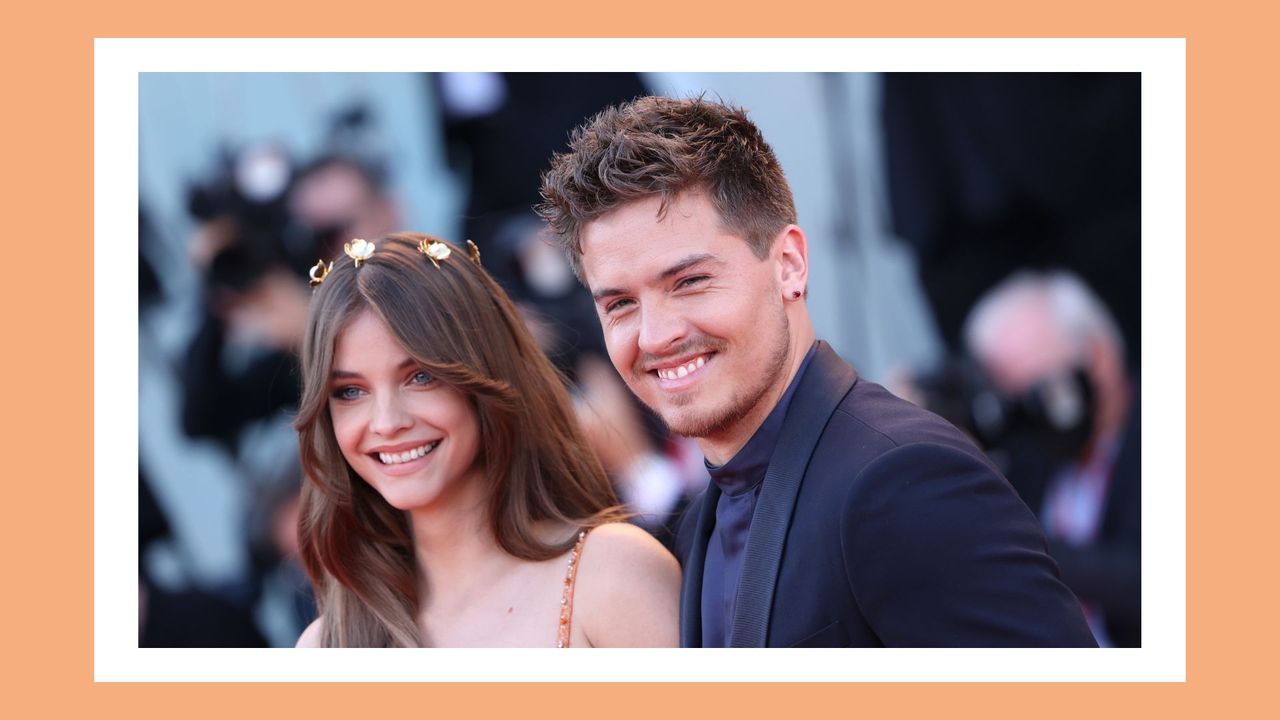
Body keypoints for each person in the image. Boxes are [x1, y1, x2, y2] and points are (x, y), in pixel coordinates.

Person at [537, 96, 1097, 647]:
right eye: (620, 305)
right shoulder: (699, 527)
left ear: (789, 266)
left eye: (689, 282)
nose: (656, 335)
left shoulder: (902, 481)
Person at [292, 233, 679, 647]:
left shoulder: (612, 574)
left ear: (485, 375)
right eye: (350, 391)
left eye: (420, 376)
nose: (386, 422)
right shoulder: (327, 646)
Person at [963, 270, 1140, 647]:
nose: (1035, 415)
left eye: (1043, 392)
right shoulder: (1035, 458)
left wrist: (1029, 552)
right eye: (1017, 401)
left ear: (1099, 356)